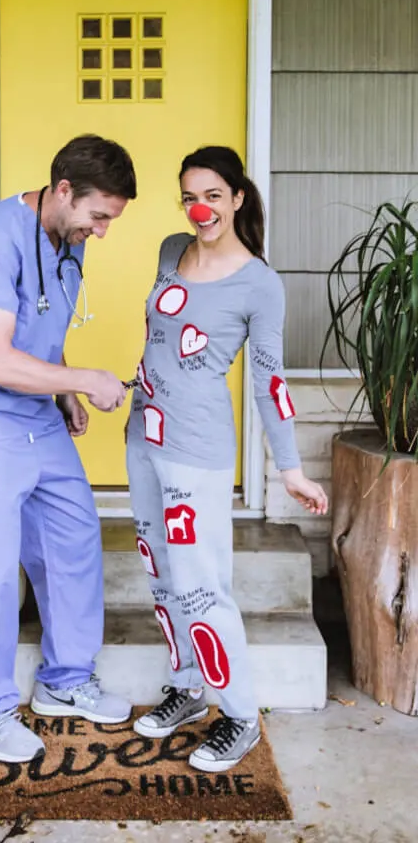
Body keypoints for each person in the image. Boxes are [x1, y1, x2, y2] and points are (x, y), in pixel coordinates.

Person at [0, 134, 137, 764]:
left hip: (36, 414)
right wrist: (84, 381)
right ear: (63, 191)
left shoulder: (67, 242)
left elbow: (37, 324)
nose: (102, 231)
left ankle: (65, 681)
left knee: (72, 535)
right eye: (99, 216)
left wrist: (64, 387)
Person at [125, 146, 328, 773]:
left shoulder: (259, 284)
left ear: (238, 197)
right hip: (142, 435)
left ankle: (239, 716)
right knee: (161, 576)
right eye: (190, 195)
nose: (200, 207)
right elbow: (157, 340)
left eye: (213, 195)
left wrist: (288, 467)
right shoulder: (169, 250)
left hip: (197, 451)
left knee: (201, 588)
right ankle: (187, 689)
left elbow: (270, 380)